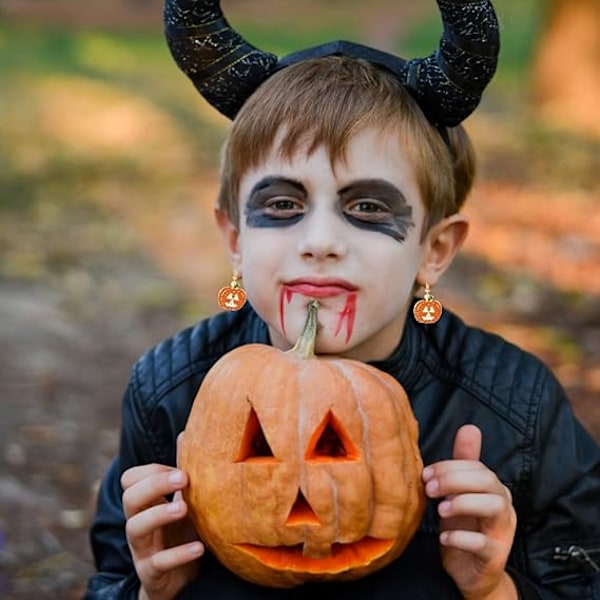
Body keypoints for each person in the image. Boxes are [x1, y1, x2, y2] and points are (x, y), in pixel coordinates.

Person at [84, 0, 600, 598]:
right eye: (282, 205)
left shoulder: (517, 404)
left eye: (367, 208)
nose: (320, 242)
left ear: (434, 249)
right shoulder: (169, 391)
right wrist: (149, 591)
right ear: (234, 238)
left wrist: (494, 589)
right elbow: (110, 577)